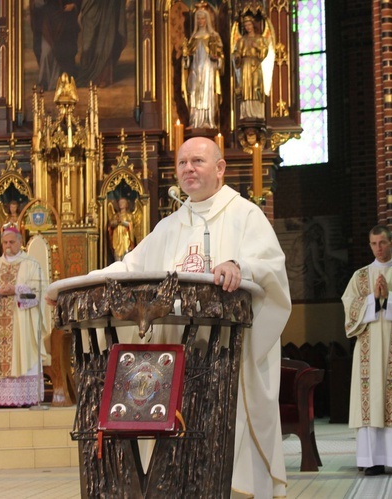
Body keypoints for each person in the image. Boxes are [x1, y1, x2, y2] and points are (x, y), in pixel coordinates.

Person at [87, 137, 291, 497]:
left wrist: (239, 266)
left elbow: (271, 267)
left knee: (227, 446)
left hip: (228, 357)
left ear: (220, 168)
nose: (188, 169)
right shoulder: (171, 225)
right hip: (177, 363)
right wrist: (83, 285)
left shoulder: (244, 214)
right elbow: (130, 267)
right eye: (182, 163)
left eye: (197, 160)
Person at [342, 225, 392, 476]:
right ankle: (372, 460)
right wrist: (372, 300)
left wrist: (391, 298)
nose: (378, 247)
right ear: (370, 245)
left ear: (391, 243)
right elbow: (349, 307)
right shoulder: (360, 276)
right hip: (368, 350)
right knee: (371, 400)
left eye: (382, 243)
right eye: (374, 243)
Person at [0, 227, 48, 407]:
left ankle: (23, 398)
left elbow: (38, 293)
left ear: (20, 243)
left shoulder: (31, 264)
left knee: (21, 353)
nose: (8, 246)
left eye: (12, 242)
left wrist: (17, 290)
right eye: (5, 242)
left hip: (22, 322)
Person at [182, 7, 223, 129]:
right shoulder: (193, 38)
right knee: (194, 91)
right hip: (195, 68)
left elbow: (221, 55)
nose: (200, 21)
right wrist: (185, 57)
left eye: (203, 18)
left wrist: (217, 58)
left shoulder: (213, 36)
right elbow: (188, 58)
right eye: (198, 19)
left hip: (208, 68)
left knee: (206, 92)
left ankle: (207, 120)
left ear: (207, 20)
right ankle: (194, 121)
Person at [78, 0, 127, 87]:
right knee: (87, 46)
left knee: (106, 41)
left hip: (107, 6)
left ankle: (103, 78)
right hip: (91, 6)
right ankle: (87, 74)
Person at [231, 14, 269, 120]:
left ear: (253, 25)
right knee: (246, 88)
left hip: (255, 65)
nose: (248, 27)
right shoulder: (242, 40)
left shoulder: (260, 39)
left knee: (255, 86)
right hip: (245, 66)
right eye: (246, 25)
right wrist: (237, 56)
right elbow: (237, 53)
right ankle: (246, 112)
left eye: (249, 25)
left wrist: (257, 47)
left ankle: (257, 111)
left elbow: (264, 53)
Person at [107, 197, 136, 262]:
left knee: (125, 257)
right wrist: (117, 222)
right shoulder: (115, 216)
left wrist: (122, 222)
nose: (121, 204)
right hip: (117, 238)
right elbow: (111, 224)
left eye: (123, 202)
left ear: (126, 204)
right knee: (117, 257)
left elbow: (130, 224)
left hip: (125, 237)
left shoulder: (129, 215)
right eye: (119, 203)